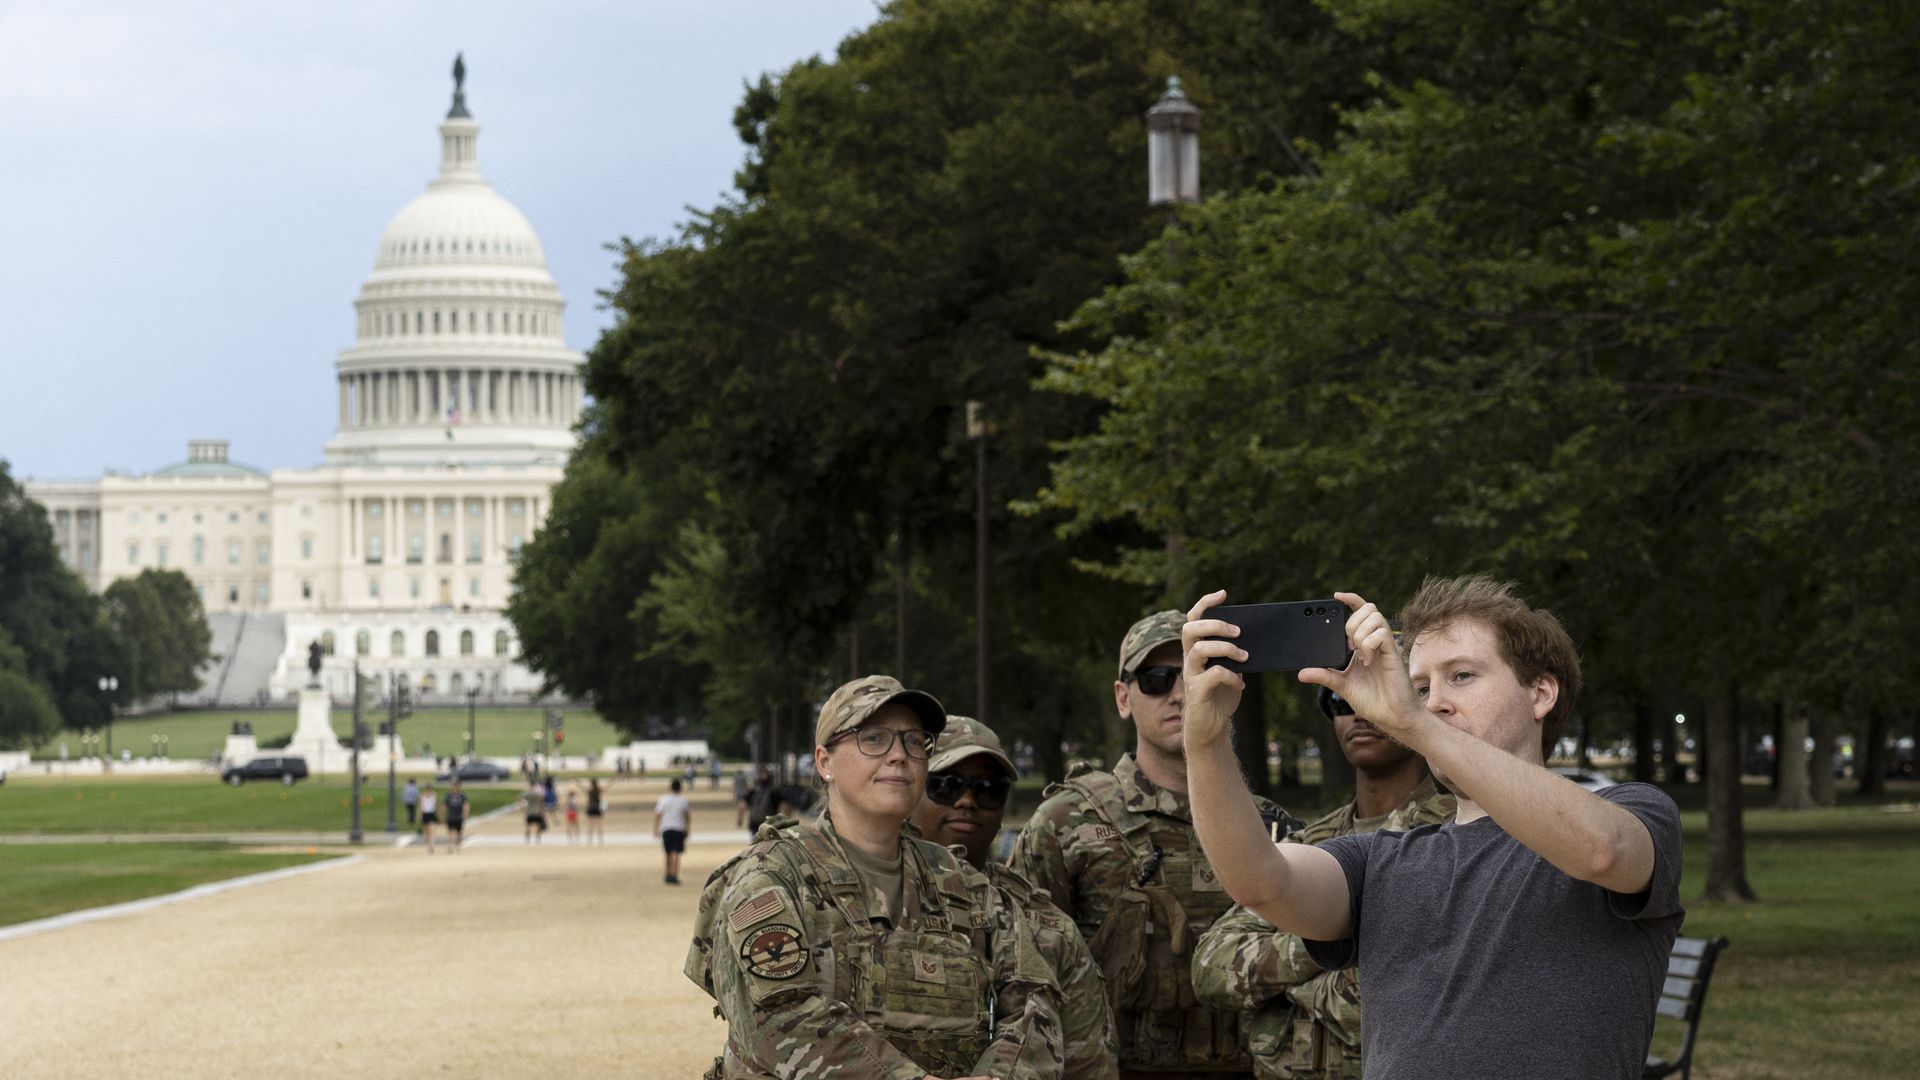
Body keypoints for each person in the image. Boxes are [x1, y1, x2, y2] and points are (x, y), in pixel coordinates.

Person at [1181, 578, 1684, 1080]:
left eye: (1461, 676)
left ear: (1541, 692)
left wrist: (1417, 724)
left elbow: (1604, 853)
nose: (1433, 701)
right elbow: (1258, 882)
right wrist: (1204, 743)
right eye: (1420, 687)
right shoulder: (1381, 859)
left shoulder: (1636, 812)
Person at [685, 675, 1066, 1078]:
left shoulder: (965, 886)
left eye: (914, 741)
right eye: (874, 738)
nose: (899, 755)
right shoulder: (771, 878)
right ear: (824, 761)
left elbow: (1034, 1009)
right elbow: (781, 1022)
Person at [1012, 609, 1292, 1078]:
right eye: (1157, 679)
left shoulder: (1268, 826)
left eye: (1197, 673)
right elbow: (1024, 975)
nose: (1181, 694)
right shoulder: (1065, 823)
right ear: (1124, 697)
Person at [1192, 687, 1455, 1079]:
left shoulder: (1455, 837)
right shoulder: (1310, 840)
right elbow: (1211, 966)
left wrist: (1281, 991)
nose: (1358, 715)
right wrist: (1336, 942)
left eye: (1374, 698)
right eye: (1342, 701)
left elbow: (1427, 998)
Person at [911, 715, 1119, 1080]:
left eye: (988, 789)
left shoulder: (1045, 927)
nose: (966, 801)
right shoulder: (869, 903)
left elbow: (1088, 1063)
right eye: (944, 785)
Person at [655, 779, 691, 883]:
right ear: (680, 789)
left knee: (667, 853)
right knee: (676, 852)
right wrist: (687, 828)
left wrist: (656, 828)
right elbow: (687, 816)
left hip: (666, 828)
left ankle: (667, 874)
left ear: (670, 788)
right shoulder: (683, 800)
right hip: (678, 828)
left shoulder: (663, 799)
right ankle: (674, 874)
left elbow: (658, 814)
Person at [744, 768, 782, 834]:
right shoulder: (774, 792)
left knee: (755, 842)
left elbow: (743, 804)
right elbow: (782, 807)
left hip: (754, 823)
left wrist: (740, 818)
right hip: (770, 823)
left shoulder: (753, 791)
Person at [443, 780, 469, 852]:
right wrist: (444, 815)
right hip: (451, 816)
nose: (455, 787)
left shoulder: (462, 795)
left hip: (458, 816)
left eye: (456, 785)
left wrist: (465, 814)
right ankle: (450, 845)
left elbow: (465, 805)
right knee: (450, 831)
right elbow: (445, 806)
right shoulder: (449, 795)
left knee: (459, 832)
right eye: (454, 785)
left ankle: (458, 845)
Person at [522, 778, 548, 843]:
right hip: (537, 812)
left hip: (529, 812)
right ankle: (537, 839)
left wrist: (524, 810)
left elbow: (522, 802)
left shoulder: (526, 794)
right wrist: (543, 812)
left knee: (528, 826)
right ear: (535, 785)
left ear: (530, 785)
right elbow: (542, 803)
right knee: (538, 826)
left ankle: (527, 839)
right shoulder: (539, 794)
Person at [418, 784, 440, 854]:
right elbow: (421, 806)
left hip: (432, 813)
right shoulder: (422, 796)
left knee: (432, 829)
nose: (428, 791)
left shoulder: (434, 796)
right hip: (425, 814)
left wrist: (438, 815)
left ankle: (432, 844)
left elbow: (436, 806)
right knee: (426, 831)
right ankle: (428, 842)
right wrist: (420, 815)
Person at [585, 777, 608, 845]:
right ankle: (600, 839)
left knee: (591, 824)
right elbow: (607, 787)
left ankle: (590, 839)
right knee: (599, 824)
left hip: (591, 808)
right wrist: (615, 780)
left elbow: (581, 786)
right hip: (597, 808)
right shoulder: (598, 790)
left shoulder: (590, 791)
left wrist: (575, 781)